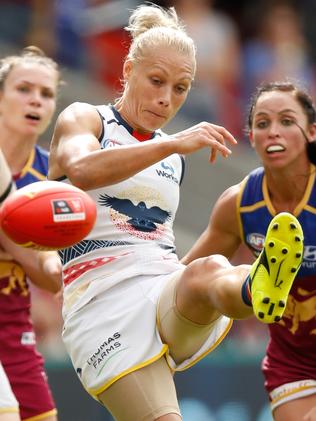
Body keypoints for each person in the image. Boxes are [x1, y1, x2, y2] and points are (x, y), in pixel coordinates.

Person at [48, 5, 304, 420]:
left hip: (159, 286)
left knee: (206, 270)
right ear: (128, 68)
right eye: (157, 81)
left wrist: (170, 147)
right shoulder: (87, 119)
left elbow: (154, 246)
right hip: (99, 309)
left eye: (182, 88)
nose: (167, 99)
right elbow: (80, 170)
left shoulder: (174, 156)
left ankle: (258, 287)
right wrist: (169, 143)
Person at [182, 80, 316, 421]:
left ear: (312, 132)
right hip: (292, 359)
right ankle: (249, 287)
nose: (273, 131)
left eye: (287, 121)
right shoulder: (240, 203)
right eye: (262, 123)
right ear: (250, 136)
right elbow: (188, 272)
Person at [0, 46, 63, 420]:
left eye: (46, 94)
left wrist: (8, 223)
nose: (36, 100)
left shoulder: (51, 178)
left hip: (12, 324)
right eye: (24, 89)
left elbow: (51, 276)